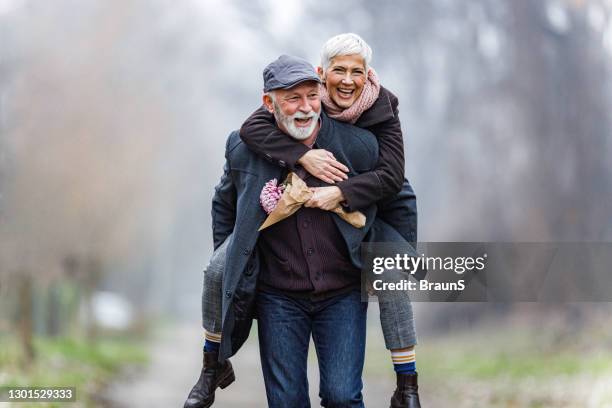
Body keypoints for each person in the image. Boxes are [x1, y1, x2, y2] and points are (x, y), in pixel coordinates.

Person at [185, 37, 421, 408]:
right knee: (286, 401)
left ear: (321, 89)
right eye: (292, 98)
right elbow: (224, 203)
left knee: (344, 397)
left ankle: (408, 384)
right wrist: (237, 258)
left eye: (310, 96)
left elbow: (396, 186)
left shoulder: (364, 138)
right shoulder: (246, 145)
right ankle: (211, 365)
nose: (305, 107)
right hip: (278, 294)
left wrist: (351, 202)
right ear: (270, 103)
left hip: (342, 289)